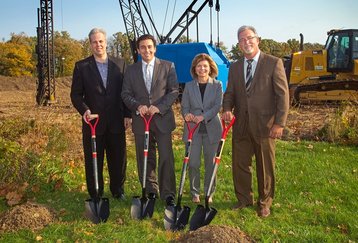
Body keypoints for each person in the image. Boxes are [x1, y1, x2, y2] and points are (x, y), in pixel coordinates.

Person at [222, 25, 289, 218]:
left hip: (265, 126)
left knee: (265, 165)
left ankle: (264, 202)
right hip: (241, 124)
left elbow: (282, 95)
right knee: (240, 164)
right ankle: (243, 199)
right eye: (242, 40)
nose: (246, 42)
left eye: (249, 38)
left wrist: (279, 123)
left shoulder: (273, 63)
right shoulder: (234, 67)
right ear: (238, 44)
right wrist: (227, 109)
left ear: (258, 40)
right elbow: (230, 93)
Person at [71, 28, 131, 201]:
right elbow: (75, 94)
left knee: (118, 158)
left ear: (106, 42)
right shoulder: (81, 66)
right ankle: (95, 192)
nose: (98, 44)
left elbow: (126, 92)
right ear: (90, 44)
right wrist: (85, 110)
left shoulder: (120, 64)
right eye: (94, 42)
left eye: (101, 41)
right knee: (93, 160)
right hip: (93, 123)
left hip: (116, 120)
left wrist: (127, 114)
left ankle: (117, 190)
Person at [121, 34, 179, 206]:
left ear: (155, 48)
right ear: (138, 50)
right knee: (145, 156)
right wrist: (138, 106)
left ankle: (168, 193)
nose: (146, 50)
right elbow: (125, 94)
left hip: (162, 119)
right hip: (141, 121)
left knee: (166, 156)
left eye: (149, 46)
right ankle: (150, 190)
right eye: (143, 47)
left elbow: (174, 91)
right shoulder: (131, 70)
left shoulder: (168, 66)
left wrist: (159, 107)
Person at [181, 53, 223, 204]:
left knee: (210, 163)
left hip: (212, 129)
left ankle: (209, 192)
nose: (202, 68)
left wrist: (203, 116)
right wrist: (186, 114)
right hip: (193, 129)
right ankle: (195, 192)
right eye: (199, 66)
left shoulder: (217, 85)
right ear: (195, 68)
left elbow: (217, 106)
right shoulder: (189, 85)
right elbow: (184, 105)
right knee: (193, 163)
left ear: (210, 67)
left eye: (205, 66)